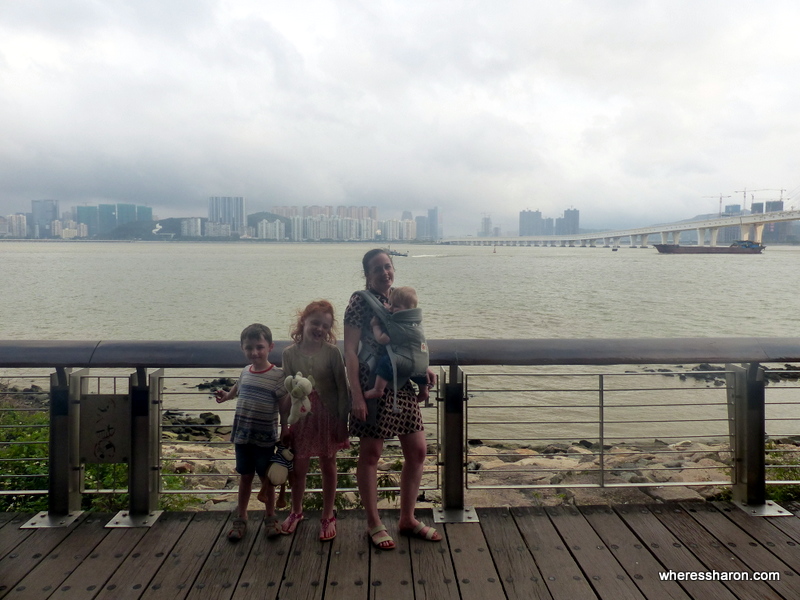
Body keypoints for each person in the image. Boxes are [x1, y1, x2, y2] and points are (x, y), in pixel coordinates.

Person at [344, 249, 441, 550]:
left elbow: (409, 341)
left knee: (418, 451)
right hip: (374, 384)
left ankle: (407, 518)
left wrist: (423, 366)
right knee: (371, 454)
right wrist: (357, 396)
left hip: (401, 383)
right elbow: (349, 351)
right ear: (367, 274)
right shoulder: (359, 301)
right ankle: (374, 523)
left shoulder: (398, 300)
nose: (385, 273)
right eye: (377, 269)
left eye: (388, 266)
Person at [279, 300, 350, 541]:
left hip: (328, 416)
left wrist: (343, 421)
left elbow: (343, 388)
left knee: (328, 465)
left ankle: (328, 515)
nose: (319, 329)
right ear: (303, 322)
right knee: (299, 467)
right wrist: (285, 425)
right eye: (315, 323)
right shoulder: (289, 353)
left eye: (325, 325)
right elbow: (288, 390)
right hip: (301, 417)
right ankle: (296, 511)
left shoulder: (332, 352)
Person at [215, 323, 289, 541]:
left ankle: (271, 516)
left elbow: (284, 406)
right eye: (249, 348)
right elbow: (238, 387)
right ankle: (242, 516)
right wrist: (227, 395)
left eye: (259, 347)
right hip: (242, 435)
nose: (254, 352)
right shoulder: (245, 370)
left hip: (265, 438)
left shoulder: (278, 375)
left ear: (270, 347)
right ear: (242, 348)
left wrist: (285, 429)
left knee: (267, 479)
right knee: (245, 477)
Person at [363, 286, 430, 402]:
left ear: (409, 309)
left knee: (386, 361)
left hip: (405, 363)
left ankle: (378, 389)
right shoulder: (415, 322)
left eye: (396, 306)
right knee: (418, 369)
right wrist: (391, 307)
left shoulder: (397, 323)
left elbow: (383, 339)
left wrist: (375, 326)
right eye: (390, 304)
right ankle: (424, 391)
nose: (391, 309)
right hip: (422, 364)